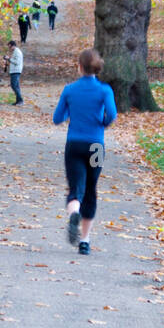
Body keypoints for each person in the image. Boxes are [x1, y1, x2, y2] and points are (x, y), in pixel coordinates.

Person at [52, 49, 117, 256]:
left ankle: (74, 213)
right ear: (97, 67)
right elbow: (112, 115)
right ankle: (85, 241)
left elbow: (57, 118)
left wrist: (72, 114)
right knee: (91, 188)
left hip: (75, 145)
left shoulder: (69, 90)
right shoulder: (105, 90)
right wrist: (102, 124)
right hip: (96, 145)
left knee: (75, 189)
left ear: (79, 67)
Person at [6, 39, 24, 105]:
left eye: (10, 47)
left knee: (14, 86)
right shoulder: (15, 51)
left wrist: (9, 59)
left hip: (16, 71)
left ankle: (20, 100)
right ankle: (18, 101)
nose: (9, 49)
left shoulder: (17, 52)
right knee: (16, 86)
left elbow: (17, 62)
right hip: (14, 71)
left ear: (13, 46)